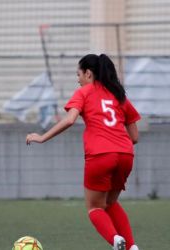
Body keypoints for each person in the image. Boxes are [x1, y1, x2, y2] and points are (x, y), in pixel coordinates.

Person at [26, 54, 140, 250]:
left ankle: (115, 240)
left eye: (78, 74)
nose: (77, 79)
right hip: (125, 154)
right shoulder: (118, 95)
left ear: (88, 73)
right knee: (110, 203)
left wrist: (42, 137)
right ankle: (132, 247)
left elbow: (70, 120)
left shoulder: (85, 92)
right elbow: (135, 137)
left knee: (94, 207)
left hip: (100, 155)